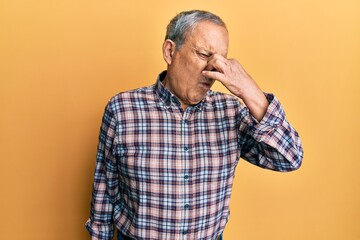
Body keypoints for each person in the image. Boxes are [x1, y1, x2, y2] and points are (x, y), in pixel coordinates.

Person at [85, 10, 303, 240]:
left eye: (220, 61)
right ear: (170, 51)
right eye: (203, 54)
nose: (212, 72)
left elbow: (289, 157)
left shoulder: (231, 112)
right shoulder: (122, 110)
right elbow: (104, 195)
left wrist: (250, 91)